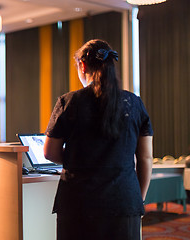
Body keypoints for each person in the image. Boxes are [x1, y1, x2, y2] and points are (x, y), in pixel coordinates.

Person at [44, 39, 153, 240]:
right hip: (124, 200)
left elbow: (49, 152)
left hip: (78, 201)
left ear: (82, 65)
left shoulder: (69, 102)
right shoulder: (135, 104)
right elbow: (145, 158)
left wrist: (75, 159)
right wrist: (139, 198)